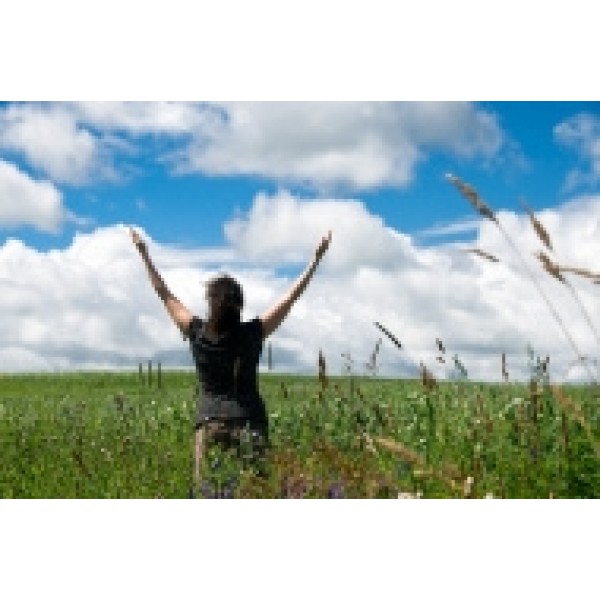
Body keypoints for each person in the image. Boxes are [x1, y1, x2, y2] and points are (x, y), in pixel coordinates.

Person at [130, 227, 332, 497]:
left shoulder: (196, 332)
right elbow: (290, 298)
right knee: (256, 495)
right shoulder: (253, 333)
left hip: (210, 422)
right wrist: (315, 260)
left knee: (208, 495)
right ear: (240, 305)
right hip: (251, 424)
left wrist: (143, 253)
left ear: (210, 303)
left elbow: (164, 293)